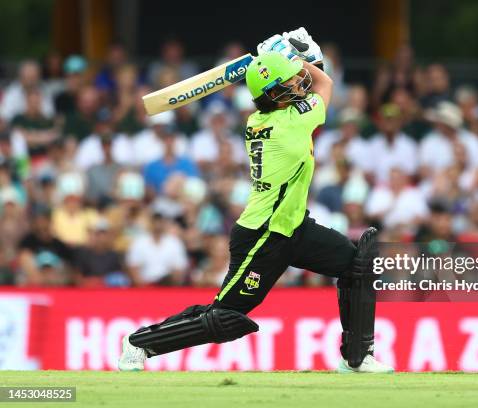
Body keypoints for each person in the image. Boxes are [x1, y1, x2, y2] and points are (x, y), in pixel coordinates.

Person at [119, 29, 393, 374]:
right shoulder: (292, 123)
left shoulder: (258, 119)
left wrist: (278, 62)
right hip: (262, 237)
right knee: (225, 316)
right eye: (292, 81)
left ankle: (356, 357)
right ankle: (139, 343)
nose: (299, 83)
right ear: (277, 94)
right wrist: (294, 57)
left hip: (294, 226)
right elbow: (325, 84)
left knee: (356, 265)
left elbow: (306, 85)